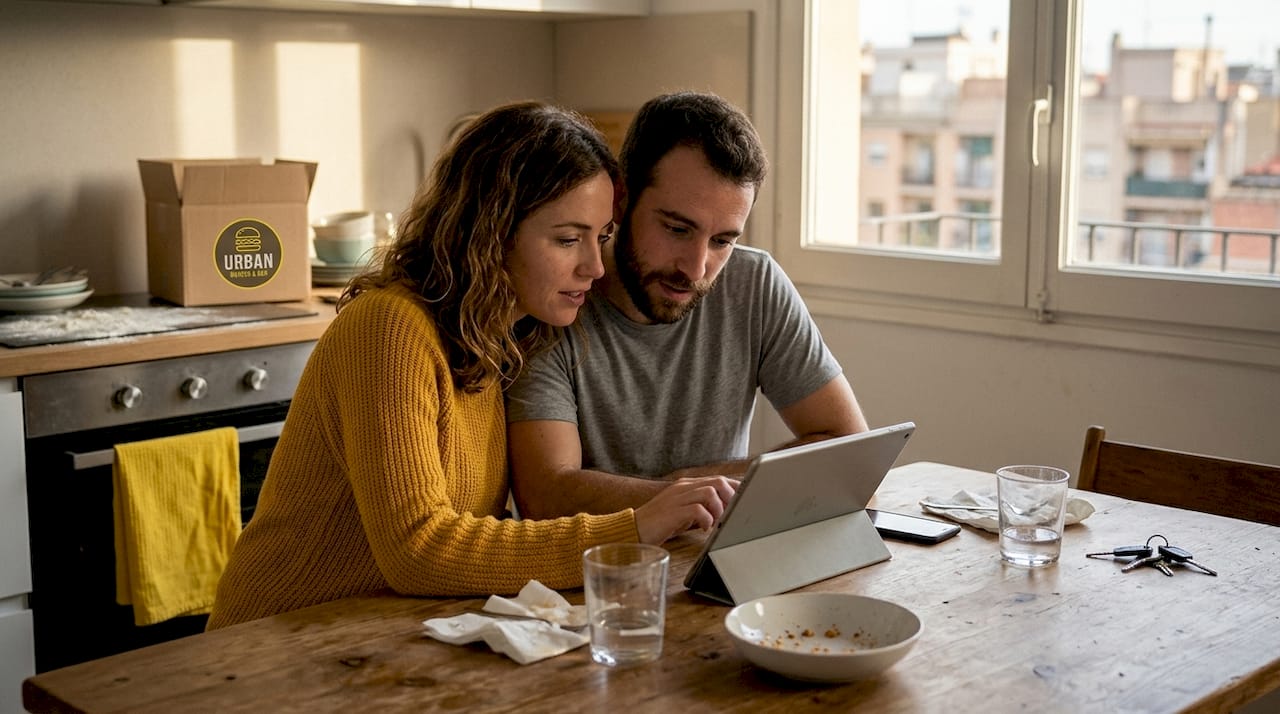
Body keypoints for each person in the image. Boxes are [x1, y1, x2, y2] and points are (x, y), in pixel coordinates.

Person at [207, 101, 735, 629]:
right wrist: (632, 528)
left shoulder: (501, 340)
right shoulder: (388, 329)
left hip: (373, 639)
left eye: (601, 238)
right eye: (568, 239)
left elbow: (471, 534)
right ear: (491, 232)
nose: (595, 268)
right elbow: (419, 548)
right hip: (272, 640)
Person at [506, 91, 868, 520]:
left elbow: (849, 452)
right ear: (621, 199)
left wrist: (695, 484)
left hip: (714, 553)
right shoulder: (557, 299)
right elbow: (546, 494)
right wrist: (691, 493)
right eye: (677, 229)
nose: (696, 269)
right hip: (600, 568)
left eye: (723, 241)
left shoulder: (754, 284)